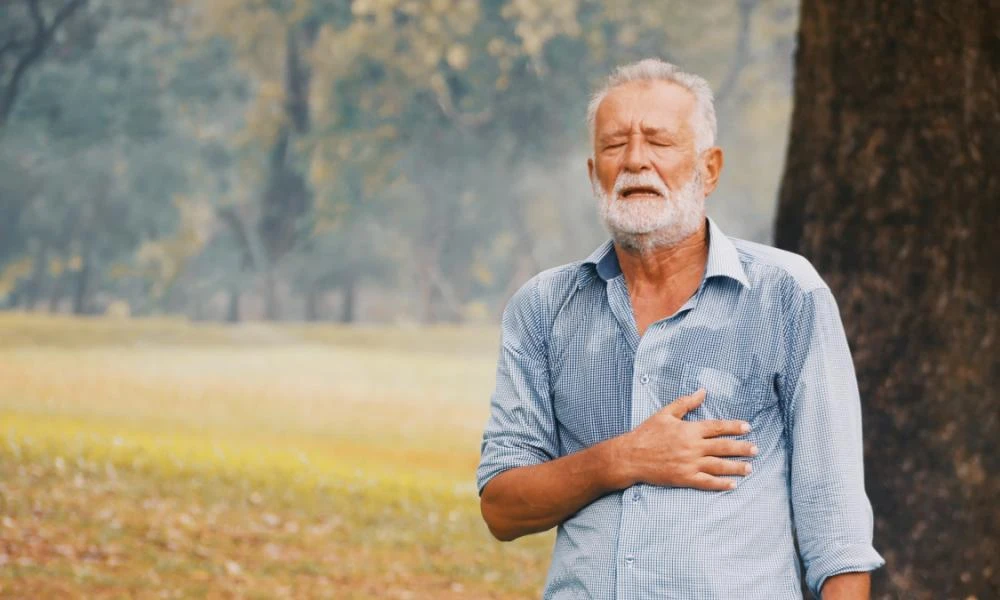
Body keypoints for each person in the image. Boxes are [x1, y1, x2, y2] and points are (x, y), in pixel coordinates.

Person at [476, 58, 884, 599]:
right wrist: (624, 458)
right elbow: (502, 508)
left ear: (708, 169)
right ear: (593, 171)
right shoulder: (543, 308)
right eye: (615, 144)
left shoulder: (785, 293)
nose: (635, 161)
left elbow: (836, 528)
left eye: (659, 142)